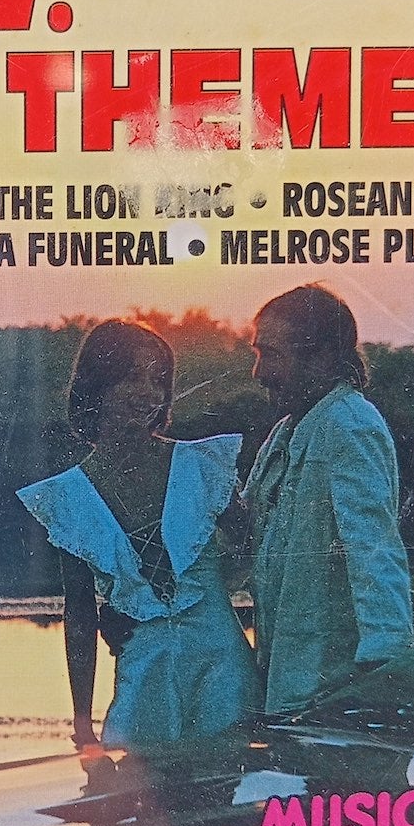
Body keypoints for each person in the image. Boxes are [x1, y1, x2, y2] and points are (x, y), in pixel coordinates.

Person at [18, 319, 260, 757]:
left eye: (158, 380)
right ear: (96, 384)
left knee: (225, 787)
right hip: (143, 680)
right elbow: (79, 615)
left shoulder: (202, 466)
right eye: (132, 377)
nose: (149, 393)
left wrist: (212, 590)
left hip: (225, 673)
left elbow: (260, 553)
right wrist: (82, 724)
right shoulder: (68, 499)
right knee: (138, 793)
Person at [243, 285, 414, 714]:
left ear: (321, 358)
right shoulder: (285, 433)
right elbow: (242, 540)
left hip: (335, 695)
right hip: (291, 685)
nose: (258, 372)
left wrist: (384, 668)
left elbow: (374, 549)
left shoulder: (349, 424)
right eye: (258, 354)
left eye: (271, 355)